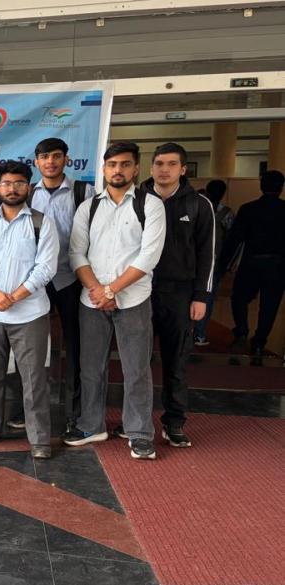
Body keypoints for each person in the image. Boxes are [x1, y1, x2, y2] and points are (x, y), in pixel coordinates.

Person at [64, 142, 166, 461]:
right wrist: (98, 290)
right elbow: (76, 252)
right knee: (91, 367)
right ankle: (91, 425)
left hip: (133, 300)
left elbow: (149, 256)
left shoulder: (151, 205)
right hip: (92, 301)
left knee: (136, 369)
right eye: (112, 165)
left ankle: (139, 433)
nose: (117, 170)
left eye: (124, 164)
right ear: (104, 169)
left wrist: (111, 291)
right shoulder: (89, 207)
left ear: (136, 169)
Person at [0, 160, 59, 459]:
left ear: (28, 187)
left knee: (33, 378)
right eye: (6, 183)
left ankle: (39, 438)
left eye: (18, 183)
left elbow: (46, 268)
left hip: (29, 314)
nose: (12, 188)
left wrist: (14, 297)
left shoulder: (42, 223)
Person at [139, 143, 215, 448]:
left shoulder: (198, 204)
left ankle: (174, 422)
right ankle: (137, 422)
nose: (164, 169)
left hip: (180, 294)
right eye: (159, 163)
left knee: (176, 362)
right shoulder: (137, 198)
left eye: (172, 164)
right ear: (151, 167)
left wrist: (202, 296)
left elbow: (207, 253)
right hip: (140, 291)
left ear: (183, 169)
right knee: (137, 362)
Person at [27, 137, 95, 434]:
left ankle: (75, 412)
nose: (50, 162)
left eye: (56, 156)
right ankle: (31, 409)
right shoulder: (28, 194)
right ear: (36, 162)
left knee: (76, 347)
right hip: (37, 282)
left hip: (73, 280)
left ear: (67, 159)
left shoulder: (84, 192)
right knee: (32, 348)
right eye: (44, 157)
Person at [221, 170, 285, 357]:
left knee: (239, 298)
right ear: (281, 188)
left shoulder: (248, 209)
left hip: (251, 262)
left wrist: (222, 265)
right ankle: (259, 342)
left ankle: (241, 331)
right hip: (278, 265)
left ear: (261, 186)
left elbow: (234, 240)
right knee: (269, 306)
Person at [193, 179, 234, 346]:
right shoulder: (226, 214)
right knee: (206, 298)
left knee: (191, 296)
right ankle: (199, 333)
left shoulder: (196, 207)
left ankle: (190, 331)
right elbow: (231, 240)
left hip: (194, 261)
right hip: (213, 263)